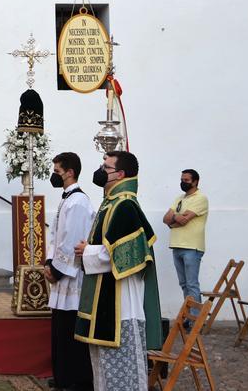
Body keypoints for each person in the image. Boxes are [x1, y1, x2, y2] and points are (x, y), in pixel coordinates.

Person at [73, 150, 161, 391]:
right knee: (102, 368)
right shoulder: (111, 203)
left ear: (120, 174)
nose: (101, 170)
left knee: (120, 367)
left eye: (106, 167)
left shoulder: (125, 206)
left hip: (120, 301)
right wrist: (89, 251)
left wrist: (87, 251)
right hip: (106, 293)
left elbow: (127, 257)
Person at [44, 152, 94, 391]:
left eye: (57, 171)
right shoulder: (68, 199)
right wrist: (48, 262)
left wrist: (56, 269)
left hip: (72, 277)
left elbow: (72, 240)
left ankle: (76, 378)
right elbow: (56, 235)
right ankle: (63, 375)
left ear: (70, 172)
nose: (54, 175)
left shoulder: (78, 202)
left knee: (71, 331)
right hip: (62, 273)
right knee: (60, 330)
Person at [162, 169, 209, 318]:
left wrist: (174, 217)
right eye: (182, 179)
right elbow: (165, 219)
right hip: (177, 245)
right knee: (184, 285)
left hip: (192, 247)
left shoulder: (200, 198)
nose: (183, 183)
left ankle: (196, 320)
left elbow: (183, 220)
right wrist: (176, 217)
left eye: (186, 180)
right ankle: (188, 318)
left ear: (195, 182)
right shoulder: (179, 198)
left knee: (192, 285)